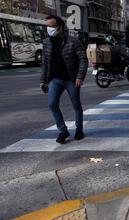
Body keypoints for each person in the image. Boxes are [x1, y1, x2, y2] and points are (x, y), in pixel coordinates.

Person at [40, 15, 88, 144]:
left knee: (76, 105)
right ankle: (63, 130)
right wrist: (43, 80)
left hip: (71, 79)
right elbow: (45, 63)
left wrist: (80, 76)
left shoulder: (73, 41)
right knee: (52, 104)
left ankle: (79, 130)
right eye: (47, 26)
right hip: (54, 79)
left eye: (51, 26)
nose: (49, 29)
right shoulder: (46, 42)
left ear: (60, 27)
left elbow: (83, 60)